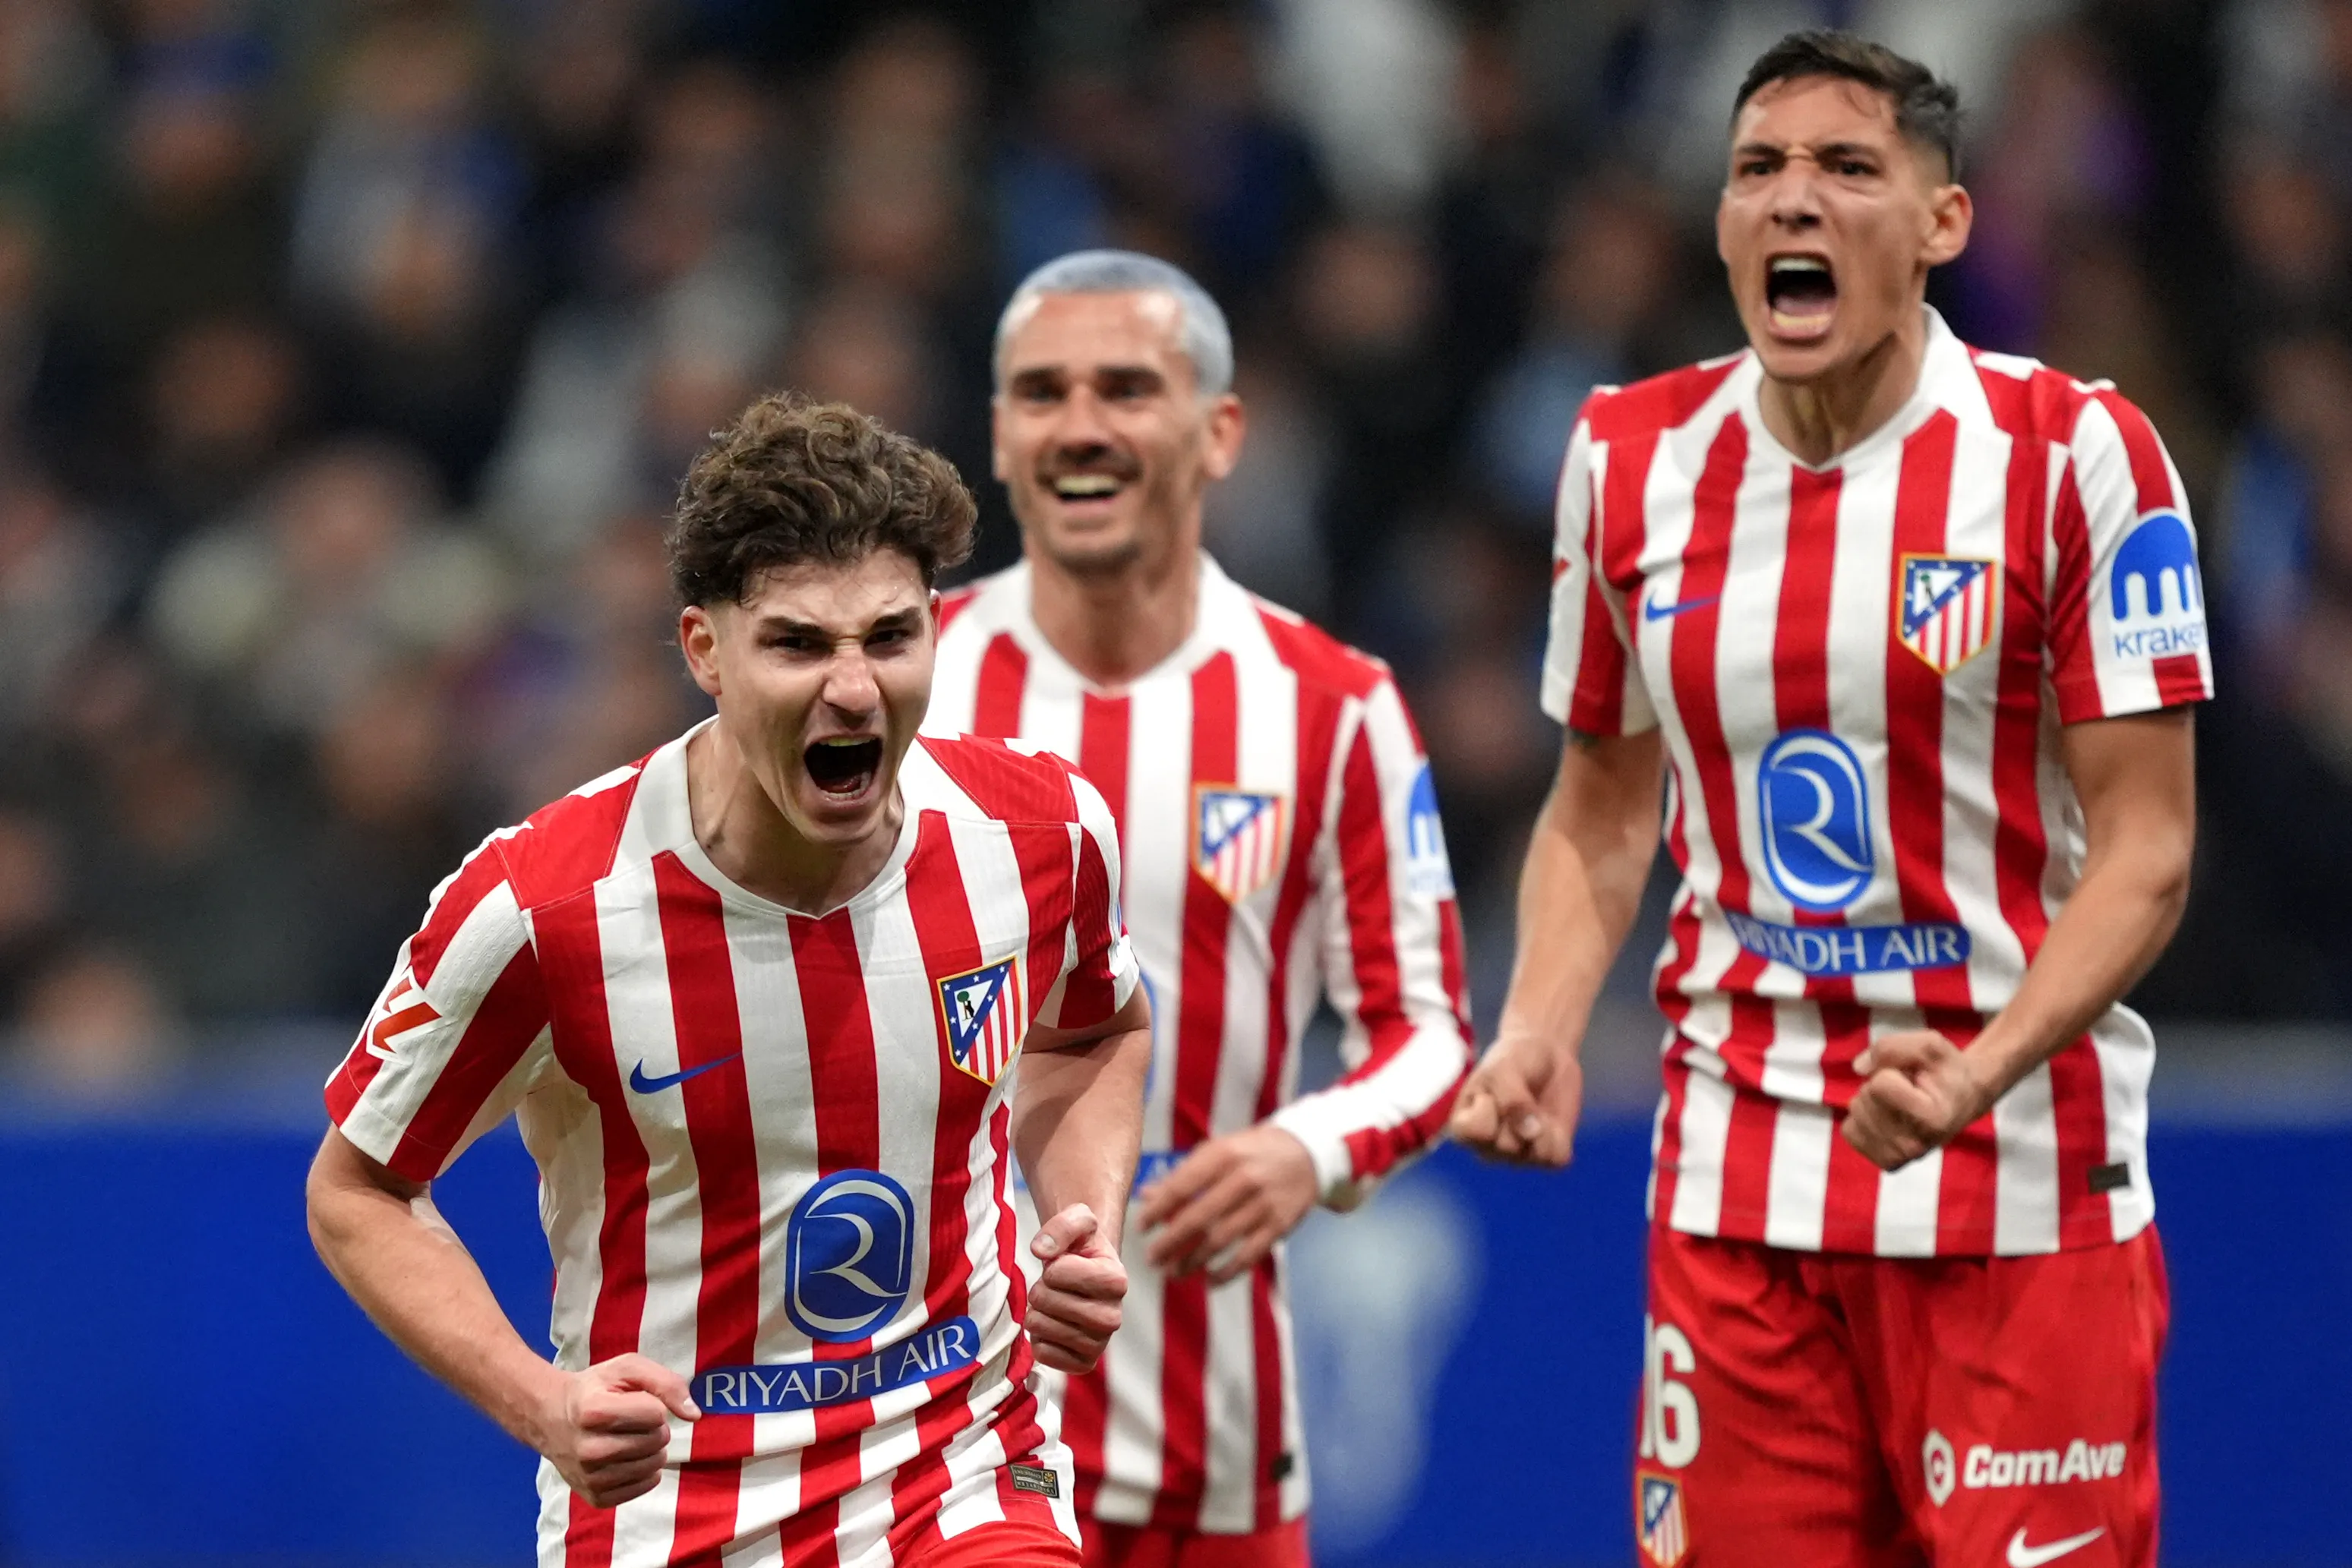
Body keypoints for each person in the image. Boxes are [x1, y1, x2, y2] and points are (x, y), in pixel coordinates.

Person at [1451, 32, 2202, 1568]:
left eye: (1847, 169)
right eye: (1757, 171)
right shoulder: (1628, 459)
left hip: (2021, 1197)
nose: (1794, 201)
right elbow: (1600, 809)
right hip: (1736, 1200)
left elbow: (2151, 848)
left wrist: (1982, 1070)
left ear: (1944, 225)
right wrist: (1533, 1027)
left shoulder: (2078, 458)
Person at [305, 393, 1154, 1568]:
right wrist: (543, 1408)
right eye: (799, 644)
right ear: (705, 649)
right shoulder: (544, 909)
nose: (853, 689)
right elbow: (359, 1191)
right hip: (673, 1512)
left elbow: (1095, 1032)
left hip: (957, 1467)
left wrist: (1087, 1223)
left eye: (889, 637)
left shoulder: (1044, 836)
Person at [926, 250, 1475, 1568]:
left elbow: (1429, 1035)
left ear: (1221, 430)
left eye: (1127, 387)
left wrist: (1307, 1150)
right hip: (933, 1439)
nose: (1082, 425)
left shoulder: (1331, 703)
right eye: (1043, 392)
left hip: (1209, 1437)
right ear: (1000, 436)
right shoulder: (902, 683)